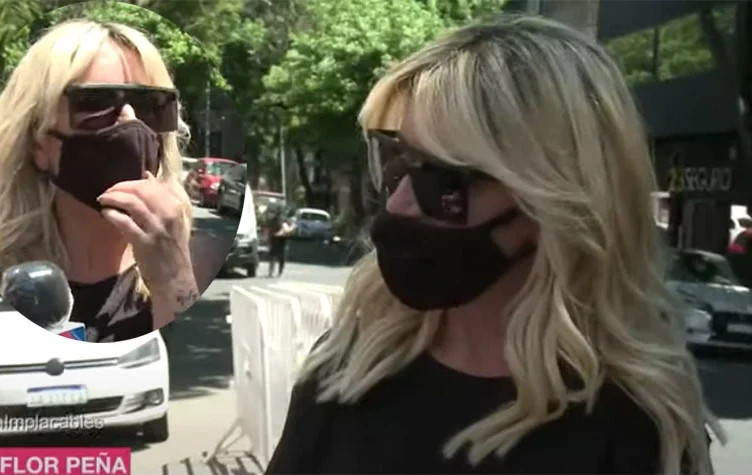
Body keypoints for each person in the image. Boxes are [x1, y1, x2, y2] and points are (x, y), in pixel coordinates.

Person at [267, 15, 725, 474]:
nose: (399, 202)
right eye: (395, 159)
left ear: (553, 201)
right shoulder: (348, 366)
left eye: (443, 181)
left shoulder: (641, 430)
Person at [0, 20, 199, 342]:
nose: (130, 122)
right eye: (95, 103)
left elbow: (184, 359)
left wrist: (173, 281)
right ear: (38, 145)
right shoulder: (10, 280)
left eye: (150, 106)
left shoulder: (187, 259)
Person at [267, 209, 295, 277]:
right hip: (276, 240)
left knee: (280, 257)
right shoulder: (274, 221)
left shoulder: (285, 221)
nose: (280, 216)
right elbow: (269, 230)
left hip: (282, 240)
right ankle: (272, 272)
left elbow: (291, 230)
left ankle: (278, 272)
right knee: (274, 256)